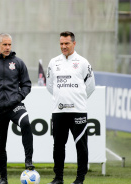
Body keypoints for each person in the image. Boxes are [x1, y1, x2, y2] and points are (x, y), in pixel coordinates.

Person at [0, 33, 35, 184]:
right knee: (0, 145)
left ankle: (28, 160)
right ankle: (3, 178)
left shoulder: (18, 63)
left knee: (26, 123)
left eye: (10, 44)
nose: (8, 47)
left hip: (15, 105)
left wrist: (18, 97)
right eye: (4, 44)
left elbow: (27, 85)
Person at [46, 31, 95, 184]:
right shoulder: (53, 62)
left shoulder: (83, 62)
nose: (64, 46)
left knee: (81, 146)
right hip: (59, 111)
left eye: (67, 43)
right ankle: (58, 178)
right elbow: (50, 86)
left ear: (74, 43)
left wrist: (77, 99)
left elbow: (90, 87)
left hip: (78, 111)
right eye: (61, 43)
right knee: (58, 146)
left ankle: (80, 179)